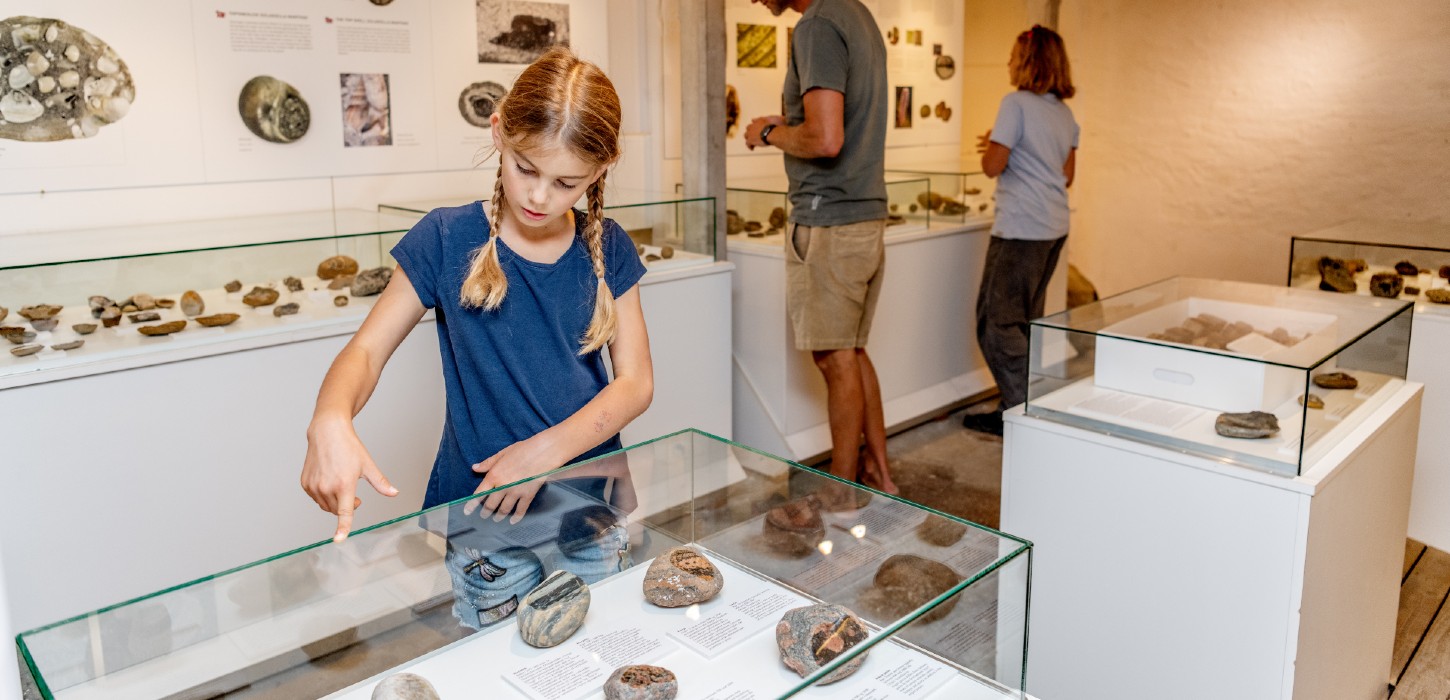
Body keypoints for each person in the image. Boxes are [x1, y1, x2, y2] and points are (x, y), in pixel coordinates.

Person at [301, 47, 653, 625]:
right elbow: (365, 351)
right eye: (526, 168)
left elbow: (635, 382)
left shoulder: (608, 246)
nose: (540, 196)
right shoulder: (445, 237)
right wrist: (330, 418)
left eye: (567, 182)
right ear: (498, 132)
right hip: (485, 519)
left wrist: (543, 454)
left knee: (593, 655)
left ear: (601, 168)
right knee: (496, 667)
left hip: (588, 507)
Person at [743, 0, 898, 498]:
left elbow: (827, 138)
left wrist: (768, 133)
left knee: (836, 360)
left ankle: (842, 494)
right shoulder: (855, 13)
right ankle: (879, 475)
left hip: (830, 220)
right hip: (865, 214)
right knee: (851, 352)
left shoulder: (816, 25)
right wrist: (788, 123)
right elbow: (834, 122)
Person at [962, 25, 1078, 436]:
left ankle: (1021, 412)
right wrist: (1010, 146)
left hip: (1022, 227)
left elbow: (992, 166)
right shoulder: (1064, 113)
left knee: (997, 324)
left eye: (1013, 56)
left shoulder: (1015, 104)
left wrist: (997, 145)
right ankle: (1023, 405)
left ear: (1029, 62)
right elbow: (1065, 175)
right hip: (1053, 225)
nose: (1008, 63)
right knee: (1026, 321)